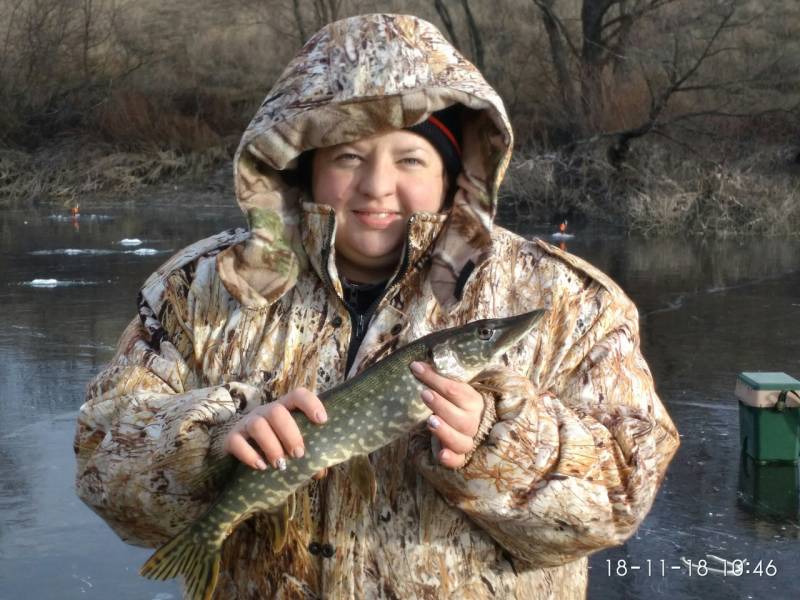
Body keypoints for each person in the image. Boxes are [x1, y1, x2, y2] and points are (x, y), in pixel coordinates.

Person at [75, 13, 679, 599]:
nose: (376, 186)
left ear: (453, 173)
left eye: (410, 159)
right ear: (304, 170)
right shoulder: (200, 290)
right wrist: (209, 443)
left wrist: (501, 443)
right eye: (348, 157)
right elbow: (102, 466)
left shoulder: (567, 301)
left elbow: (624, 493)